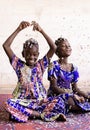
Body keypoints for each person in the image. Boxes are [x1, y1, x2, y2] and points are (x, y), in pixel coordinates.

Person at [3, 21, 57, 122]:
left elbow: (53, 47)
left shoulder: (41, 65)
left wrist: (41, 31)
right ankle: (39, 115)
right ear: (23, 54)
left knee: (58, 101)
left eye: (34, 54)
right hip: (22, 101)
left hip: (39, 101)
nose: (31, 57)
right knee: (8, 103)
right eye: (28, 54)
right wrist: (18, 29)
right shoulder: (18, 65)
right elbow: (6, 46)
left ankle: (25, 113)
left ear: (38, 54)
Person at [47, 37, 90, 117]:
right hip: (57, 95)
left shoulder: (73, 67)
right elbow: (54, 88)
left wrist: (86, 96)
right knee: (70, 100)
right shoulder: (54, 66)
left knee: (87, 95)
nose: (67, 47)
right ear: (57, 51)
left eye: (69, 46)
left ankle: (79, 105)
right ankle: (79, 106)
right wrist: (72, 95)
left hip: (70, 94)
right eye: (63, 46)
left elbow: (75, 89)